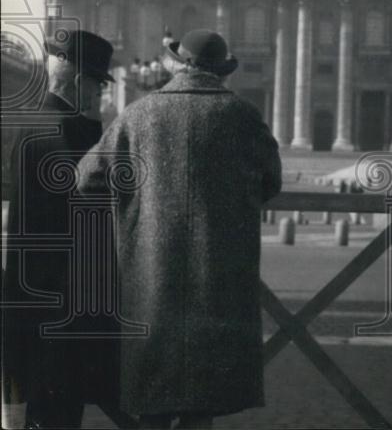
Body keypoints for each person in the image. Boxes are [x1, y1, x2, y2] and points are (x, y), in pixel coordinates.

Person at [76, 29, 282, 428]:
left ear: (177, 63)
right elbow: (270, 181)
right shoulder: (242, 114)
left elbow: (87, 178)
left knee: (152, 403)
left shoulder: (139, 114)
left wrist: (136, 201)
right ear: (221, 71)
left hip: (150, 283)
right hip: (217, 283)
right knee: (199, 407)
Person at [2, 30, 119, 429]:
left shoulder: (30, 120)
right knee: (58, 414)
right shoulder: (68, 131)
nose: (100, 94)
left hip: (29, 294)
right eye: (98, 83)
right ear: (79, 80)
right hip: (64, 304)